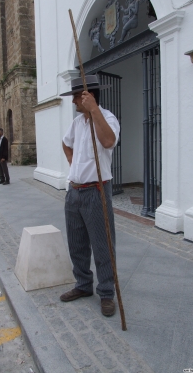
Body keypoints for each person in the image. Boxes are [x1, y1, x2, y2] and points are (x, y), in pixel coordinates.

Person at [60, 75, 120, 317]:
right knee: (77, 244)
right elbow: (65, 143)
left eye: (76, 96)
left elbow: (108, 141)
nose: (73, 101)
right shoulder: (77, 123)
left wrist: (95, 110)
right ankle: (83, 285)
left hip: (97, 191)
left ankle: (106, 292)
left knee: (103, 245)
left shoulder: (108, 118)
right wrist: (73, 163)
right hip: (74, 191)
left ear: (89, 96)